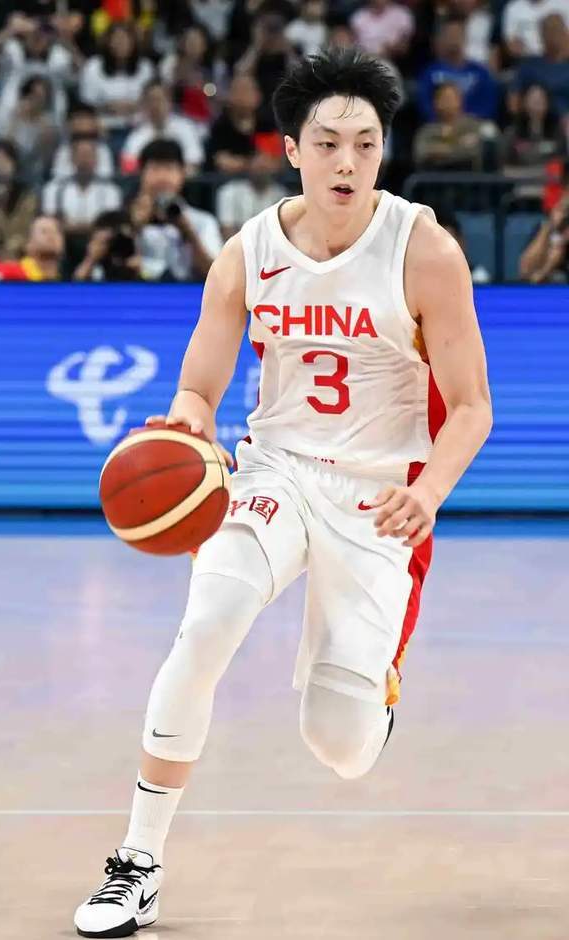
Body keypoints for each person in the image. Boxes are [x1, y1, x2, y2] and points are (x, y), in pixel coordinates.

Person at [74, 47, 492, 937]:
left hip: (378, 497)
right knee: (208, 623)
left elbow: (471, 408)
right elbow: (199, 387)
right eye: (329, 143)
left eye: (367, 144)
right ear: (293, 149)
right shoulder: (248, 253)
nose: (348, 162)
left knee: (338, 745)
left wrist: (430, 494)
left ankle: (373, 697)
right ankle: (137, 863)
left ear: (384, 151)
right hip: (276, 472)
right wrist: (186, 425)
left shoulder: (425, 252)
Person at [128, 138, 222, 281]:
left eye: (169, 169)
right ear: (141, 174)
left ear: (182, 174)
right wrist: (135, 227)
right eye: (155, 169)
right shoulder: (125, 219)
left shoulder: (203, 221)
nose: (162, 177)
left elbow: (216, 276)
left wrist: (188, 233)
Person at [418, 16, 499, 120]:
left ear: (465, 38)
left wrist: (467, 121)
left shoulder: (480, 72)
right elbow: (425, 104)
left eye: (457, 34)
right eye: (450, 35)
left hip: (474, 125)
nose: (454, 39)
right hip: (439, 124)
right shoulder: (430, 73)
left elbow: (488, 104)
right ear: (443, 39)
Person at [79, 21, 154, 132]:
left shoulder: (145, 67)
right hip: (103, 127)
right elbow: (86, 104)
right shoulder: (93, 67)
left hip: (140, 127)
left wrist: (134, 106)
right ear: (108, 42)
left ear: (133, 42)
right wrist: (107, 107)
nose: (121, 44)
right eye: (116, 39)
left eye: (125, 39)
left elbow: (153, 100)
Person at [41, 135, 122, 235]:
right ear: (72, 159)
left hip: (100, 239)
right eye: (81, 155)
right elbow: (50, 220)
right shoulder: (54, 188)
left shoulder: (111, 190)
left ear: (96, 159)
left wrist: (72, 226)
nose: (85, 160)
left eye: (89, 155)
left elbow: (111, 223)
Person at [120, 79, 204, 175]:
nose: (155, 105)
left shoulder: (186, 128)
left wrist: (169, 176)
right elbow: (128, 168)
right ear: (144, 104)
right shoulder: (137, 135)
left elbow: (194, 163)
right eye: (151, 100)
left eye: (160, 99)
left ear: (170, 101)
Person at [413, 81, 485, 170]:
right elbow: (421, 154)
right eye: (444, 98)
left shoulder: (475, 126)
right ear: (436, 103)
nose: (448, 102)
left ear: (460, 100)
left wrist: (441, 151)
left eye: (451, 98)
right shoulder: (426, 131)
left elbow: (478, 152)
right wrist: (459, 147)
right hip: (435, 176)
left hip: (470, 176)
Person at [216, 150, 287, 239]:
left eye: (264, 168)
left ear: (273, 169)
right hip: (238, 244)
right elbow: (227, 229)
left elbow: (283, 231)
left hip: (271, 244)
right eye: (258, 167)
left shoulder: (281, 195)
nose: (261, 172)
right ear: (249, 165)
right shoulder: (229, 191)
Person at [513, 13, 569, 119]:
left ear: (565, 33)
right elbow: (513, 103)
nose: (553, 37)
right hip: (537, 120)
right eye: (548, 31)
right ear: (541, 35)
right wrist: (530, 104)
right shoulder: (530, 65)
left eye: (556, 31)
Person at [205, 73, 263, 173]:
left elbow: (273, 160)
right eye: (238, 91)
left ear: (258, 96)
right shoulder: (220, 127)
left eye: (247, 90)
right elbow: (221, 161)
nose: (242, 96)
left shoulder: (267, 125)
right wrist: (249, 164)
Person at [50, 103, 114, 181]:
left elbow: (106, 174)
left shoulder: (102, 148)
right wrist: (80, 167)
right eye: (79, 119)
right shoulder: (64, 149)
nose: (83, 123)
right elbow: (58, 175)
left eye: (86, 118)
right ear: (70, 123)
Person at [519, 187, 569, 281]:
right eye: (562, 209)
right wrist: (550, 227)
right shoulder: (546, 227)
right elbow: (525, 270)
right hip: (547, 283)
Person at [0, 213, 64, 280]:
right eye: (44, 232)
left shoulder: (66, 279)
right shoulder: (8, 274)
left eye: (56, 231)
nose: (51, 236)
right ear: (28, 243)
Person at [349, 0, 415, 62]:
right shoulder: (358, 16)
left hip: (391, 61)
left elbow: (406, 48)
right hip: (362, 60)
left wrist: (392, 48)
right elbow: (351, 43)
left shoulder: (402, 14)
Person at [501, 0, 569, 60]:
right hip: (528, 58)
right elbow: (510, 42)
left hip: (560, 58)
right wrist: (515, 47)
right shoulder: (513, 8)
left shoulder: (564, 3)